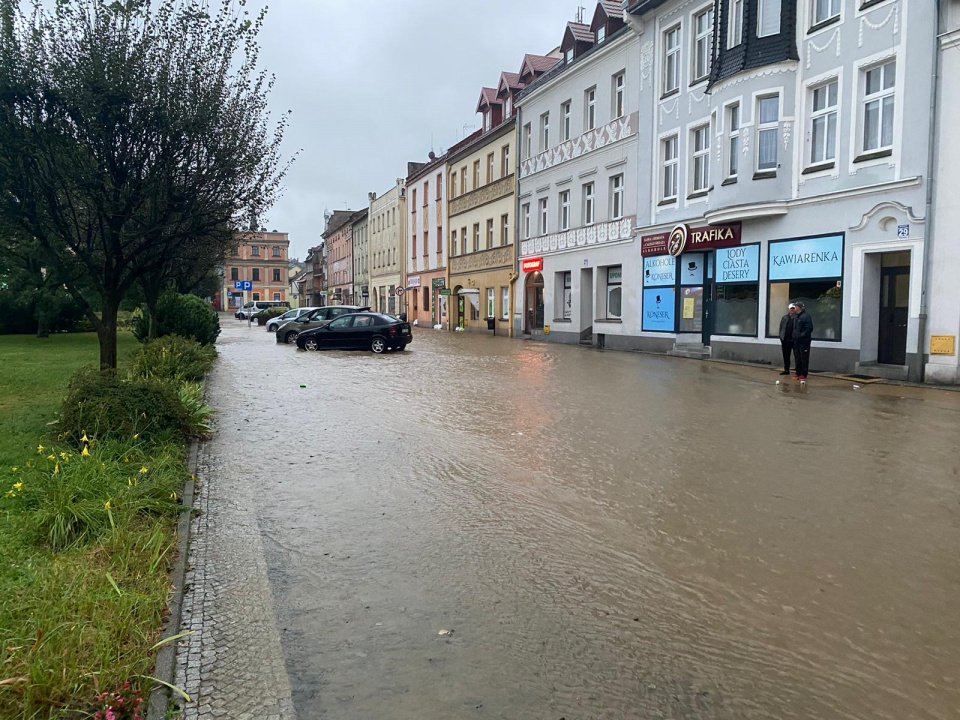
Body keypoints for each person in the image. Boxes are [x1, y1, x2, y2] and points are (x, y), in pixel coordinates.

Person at [792, 301, 814, 380]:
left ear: (799, 308)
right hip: (796, 340)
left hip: (804, 341)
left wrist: (802, 335)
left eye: (796, 306)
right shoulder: (796, 316)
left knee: (804, 357)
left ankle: (803, 373)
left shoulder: (806, 316)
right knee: (797, 356)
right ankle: (798, 372)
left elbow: (809, 328)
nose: (794, 308)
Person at [777, 303, 796, 376]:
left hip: (794, 340)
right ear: (788, 309)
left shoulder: (797, 317)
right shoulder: (785, 318)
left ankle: (798, 370)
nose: (792, 310)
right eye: (791, 308)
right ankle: (786, 369)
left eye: (793, 308)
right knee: (786, 355)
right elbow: (781, 327)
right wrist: (781, 337)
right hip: (785, 340)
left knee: (796, 356)